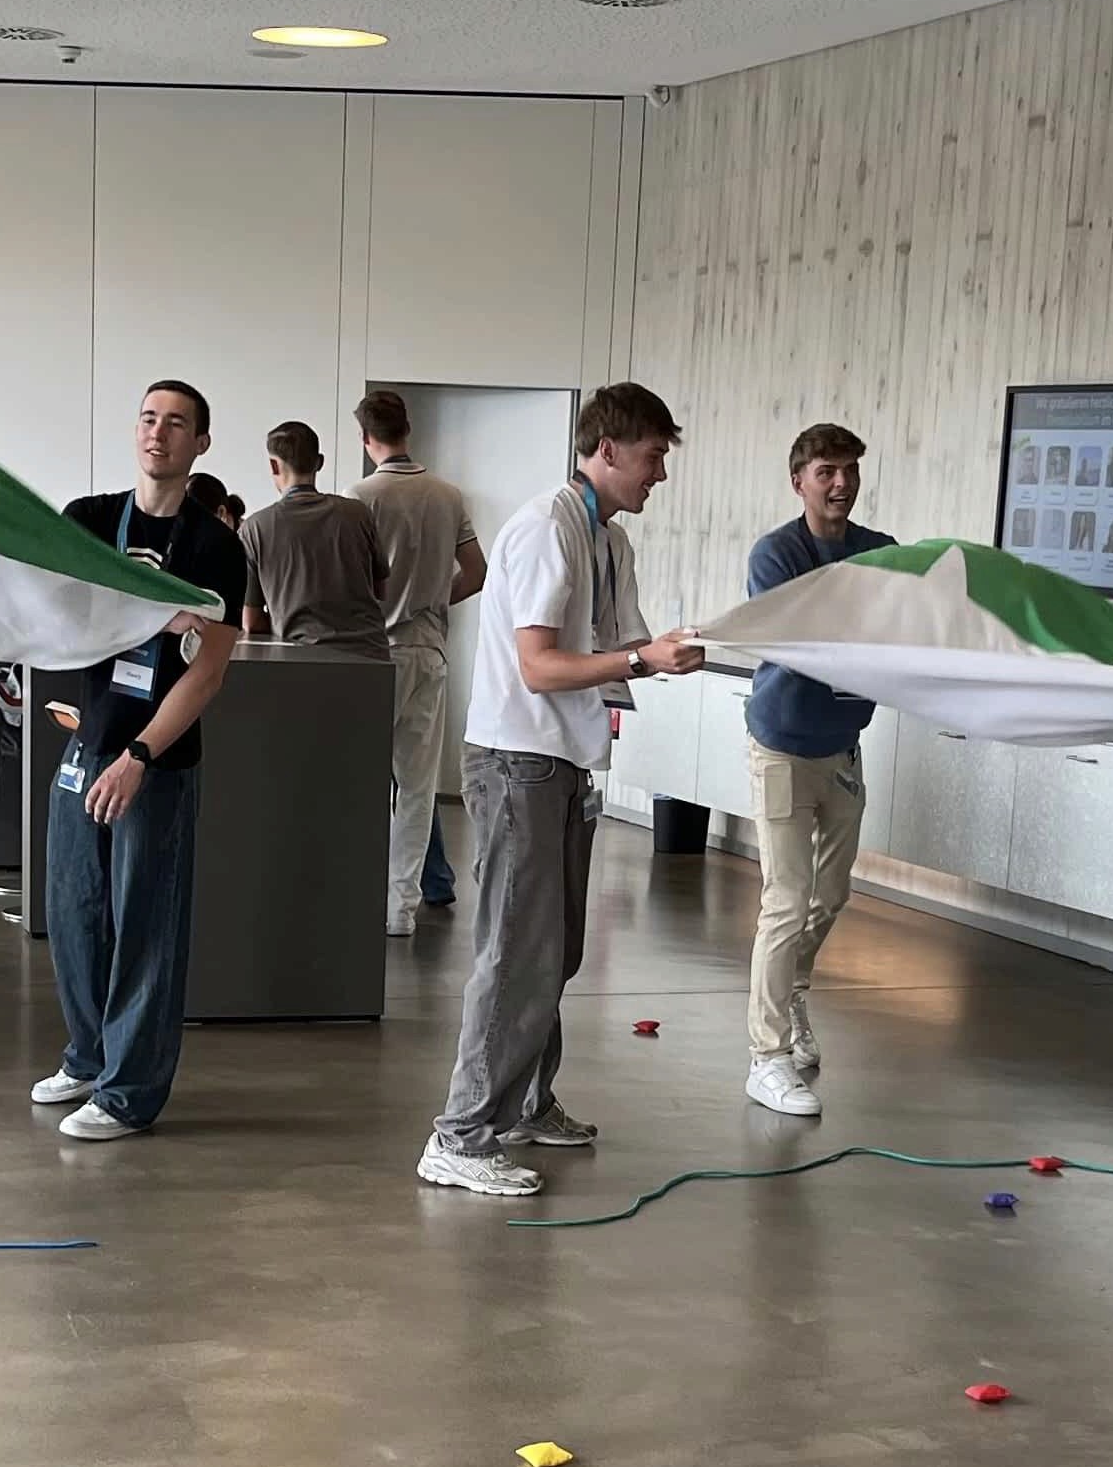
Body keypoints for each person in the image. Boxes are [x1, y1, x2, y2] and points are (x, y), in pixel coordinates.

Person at [418, 383, 703, 1197]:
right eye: (652, 457)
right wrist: (644, 662)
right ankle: (460, 1135)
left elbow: (621, 643)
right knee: (515, 953)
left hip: (563, 765)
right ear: (606, 450)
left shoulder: (606, 540)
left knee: (558, 948)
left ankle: (527, 1102)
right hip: (518, 764)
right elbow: (542, 666)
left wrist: (687, 645)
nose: (660, 474)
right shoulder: (549, 528)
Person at [28, 382, 250, 1142]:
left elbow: (208, 670)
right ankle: (88, 1056)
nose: (159, 433)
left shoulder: (216, 548)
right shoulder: (88, 522)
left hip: (155, 762)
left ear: (201, 445)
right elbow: (46, 604)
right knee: (74, 911)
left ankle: (129, 1093)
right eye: (150, 419)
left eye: (177, 423)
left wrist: (139, 756)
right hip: (84, 743)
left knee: (145, 926)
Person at [736, 424, 895, 1118]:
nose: (841, 483)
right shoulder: (776, 554)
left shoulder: (882, 554)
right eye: (827, 470)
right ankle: (766, 1057)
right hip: (780, 746)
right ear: (799, 479)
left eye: (851, 471)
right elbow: (798, 638)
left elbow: (905, 627)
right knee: (786, 898)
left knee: (830, 896)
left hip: (842, 747)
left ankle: (794, 992)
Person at [352, 391, 484, 927]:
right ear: (409, 430)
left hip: (375, 654)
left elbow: (354, 581)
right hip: (429, 651)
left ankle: (358, 893)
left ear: (366, 439)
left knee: (362, 780)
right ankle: (400, 908)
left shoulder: (360, 496)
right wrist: (432, 600)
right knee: (417, 786)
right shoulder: (448, 496)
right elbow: (475, 571)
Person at [239, 420, 390, 655]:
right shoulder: (358, 513)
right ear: (319, 462)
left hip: (302, 660)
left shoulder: (255, 528)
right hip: (371, 656)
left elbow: (251, 622)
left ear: (273, 465)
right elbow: (381, 591)